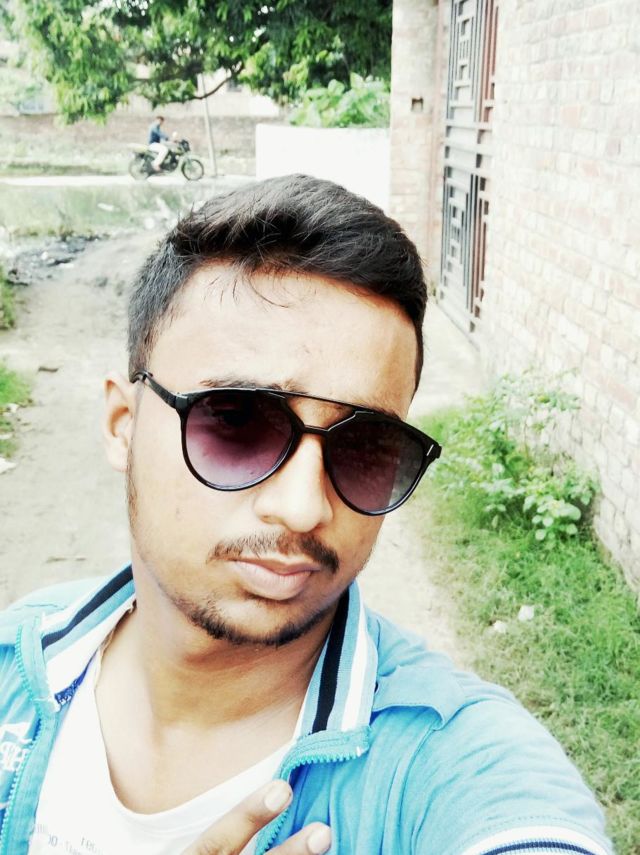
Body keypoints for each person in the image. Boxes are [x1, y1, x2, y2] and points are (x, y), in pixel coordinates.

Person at [0, 175, 613, 855]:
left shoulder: (456, 763)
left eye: (366, 444)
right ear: (123, 424)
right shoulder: (17, 658)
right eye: (236, 420)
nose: (303, 507)